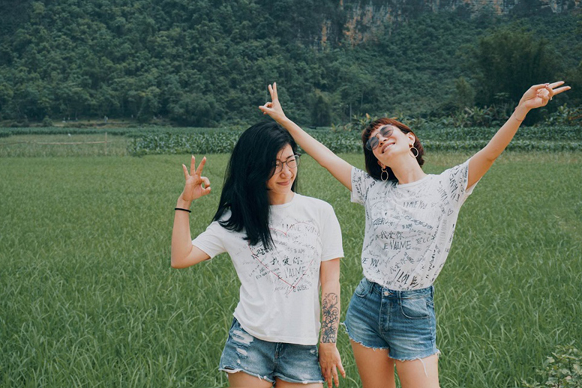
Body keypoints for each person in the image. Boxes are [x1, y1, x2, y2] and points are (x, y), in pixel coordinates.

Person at [259, 82, 570, 388]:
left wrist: (521, 110)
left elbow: (489, 153)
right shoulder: (372, 189)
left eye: (386, 132)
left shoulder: (447, 186)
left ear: (410, 138)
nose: (380, 140)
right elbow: (325, 156)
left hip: (413, 309)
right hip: (367, 304)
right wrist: (284, 121)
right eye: (373, 143)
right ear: (378, 160)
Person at [171, 121, 347, 388]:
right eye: (274, 165)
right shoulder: (236, 218)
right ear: (254, 167)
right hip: (249, 344)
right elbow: (181, 258)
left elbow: (331, 282)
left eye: (290, 160)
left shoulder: (320, 212)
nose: (286, 172)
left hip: (302, 347)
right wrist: (184, 202)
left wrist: (329, 341)